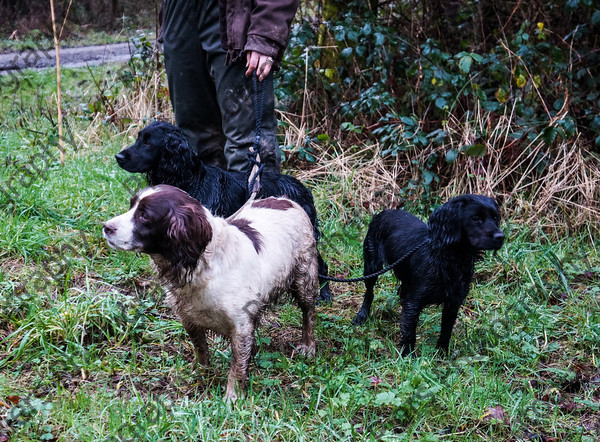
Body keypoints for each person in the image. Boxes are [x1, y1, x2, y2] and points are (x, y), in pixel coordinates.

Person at [159, 0, 299, 174]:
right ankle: (207, 201)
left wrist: (265, 35)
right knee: (194, 140)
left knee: (247, 143)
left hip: (234, 12)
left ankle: (255, 200)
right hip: (179, 13)